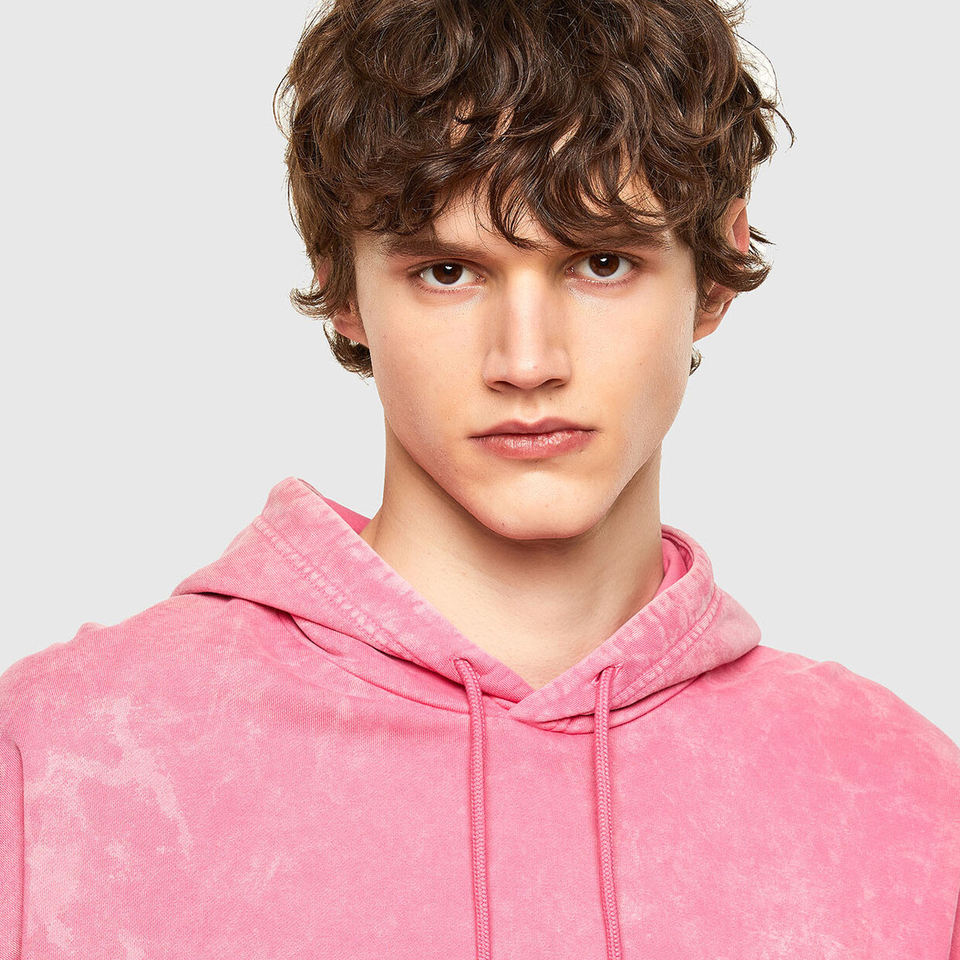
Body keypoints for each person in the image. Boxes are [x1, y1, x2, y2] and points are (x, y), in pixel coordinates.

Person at [2, 0, 958, 956]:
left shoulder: (903, 800)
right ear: (341, 285)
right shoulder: (59, 759)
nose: (527, 362)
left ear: (716, 271)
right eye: (448, 273)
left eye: (602, 261)